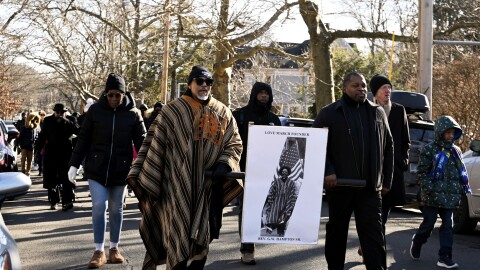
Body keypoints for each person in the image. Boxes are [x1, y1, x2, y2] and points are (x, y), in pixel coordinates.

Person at [127, 65, 243, 270]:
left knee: (202, 242)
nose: (205, 85)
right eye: (200, 81)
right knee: (176, 237)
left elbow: (234, 143)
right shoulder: (173, 111)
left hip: (208, 188)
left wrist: (225, 163)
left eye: (209, 82)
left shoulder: (223, 112)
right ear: (190, 83)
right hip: (175, 188)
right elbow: (154, 144)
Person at [312, 72, 394, 270]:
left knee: (374, 238)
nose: (361, 89)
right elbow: (315, 145)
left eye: (364, 86)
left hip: (370, 189)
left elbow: (389, 146)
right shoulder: (329, 113)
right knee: (336, 235)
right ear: (344, 88)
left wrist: (386, 181)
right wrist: (327, 171)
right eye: (356, 85)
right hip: (340, 187)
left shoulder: (377, 112)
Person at [68, 73, 146, 269]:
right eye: (110, 94)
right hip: (96, 168)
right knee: (99, 205)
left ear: (123, 94)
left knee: (116, 208)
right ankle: (99, 250)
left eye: (117, 95)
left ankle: (114, 248)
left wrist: (147, 166)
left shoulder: (133, 114)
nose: (113, 99)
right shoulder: (95, 111)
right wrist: (74, 164)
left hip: (121, 169)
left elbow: (143, 142)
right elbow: (83, 139)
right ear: (105, 93)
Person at [355, 74, 411, 261]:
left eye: (389, 87)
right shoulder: (366, 109)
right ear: (375, 93)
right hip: (369, 172)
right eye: (383, 88)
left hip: (391, 172)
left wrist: (403, 161)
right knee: (370, 214)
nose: (388, 91)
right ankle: (368, 245)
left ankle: (372, 251)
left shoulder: (399, 110)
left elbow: (405, 141)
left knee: (383, 215)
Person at [410, 115, 470, 269]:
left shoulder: (456, 151)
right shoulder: (429, 149)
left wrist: (461, 188)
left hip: (450, 197)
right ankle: (417, 242)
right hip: (432, 195)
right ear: (439, 132)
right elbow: (422, 172)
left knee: (448, 226)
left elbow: (460, 172)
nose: (450, 136)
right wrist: (429, 188)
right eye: (447, 132)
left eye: (452, 133)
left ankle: (444, 257)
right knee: (428, 224)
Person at [232, 81, 281, 265]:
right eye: (260, 93)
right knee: (247, 211)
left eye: (266, 93)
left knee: (266, 210)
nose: (263, 96)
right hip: (244, 173)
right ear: (254, 94)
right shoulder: (239, 115)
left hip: (269, 174)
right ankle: (247, 249)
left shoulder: (274, 119)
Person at [36, 103, 79, 211]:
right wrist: (38, 150)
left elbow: (79, 132)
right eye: (57, 112)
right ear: (54, 111)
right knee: (52, 179)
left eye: (62, 112)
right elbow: (42, 136)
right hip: (51, 153)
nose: (59, 114)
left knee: (66, 178)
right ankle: (54, 200)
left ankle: (67, 201)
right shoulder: (48, 121)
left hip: (65, 153)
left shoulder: (69, 121)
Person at [261, 166, 298, 237]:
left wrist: (291, 204)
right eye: (283, 172)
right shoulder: (276, 181)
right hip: (276, 203)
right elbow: (271, 192)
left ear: (288, 173)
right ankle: (270, 229)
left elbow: (293, 194)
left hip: (286, 203)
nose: (284, 173)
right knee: (273, 217)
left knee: (283, 219)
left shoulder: (291, 183)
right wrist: (270, 202)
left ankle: (280, 232)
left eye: (286, 172)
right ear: (281, 172)